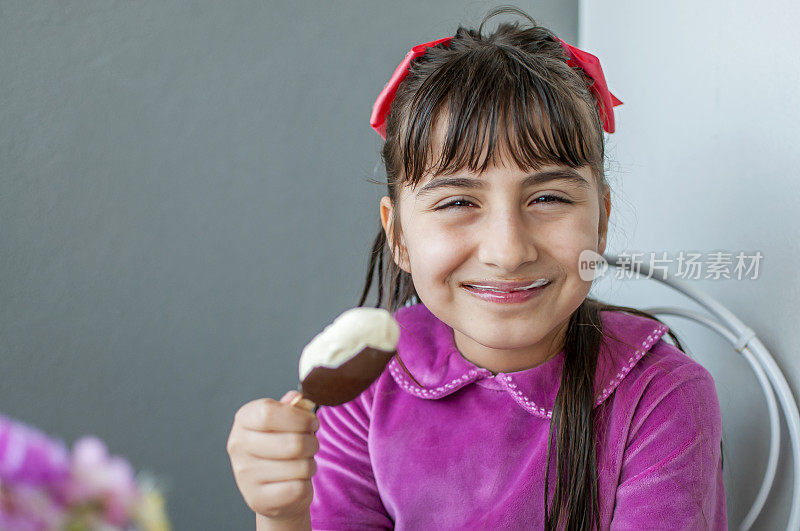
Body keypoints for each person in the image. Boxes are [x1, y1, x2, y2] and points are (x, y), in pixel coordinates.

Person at [227, 5, 727, 530]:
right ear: (398, 233)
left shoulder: (663, 395)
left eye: (549, 197)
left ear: (600, 221)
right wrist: (281, 515)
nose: (508, 252)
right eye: (458, 203)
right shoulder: (366, 387)